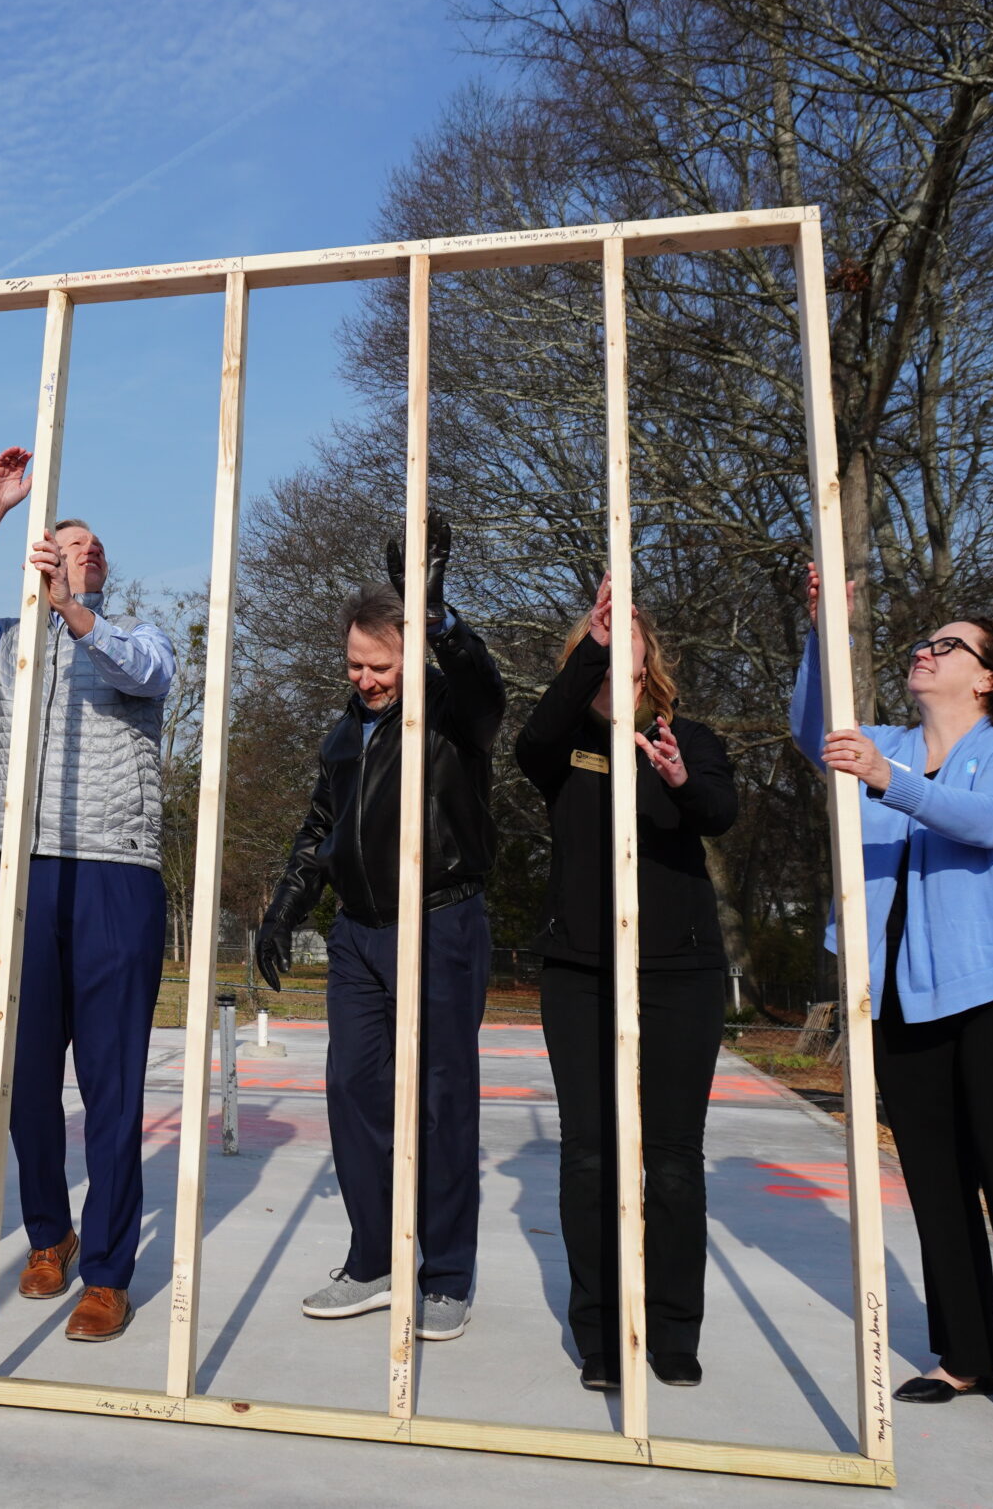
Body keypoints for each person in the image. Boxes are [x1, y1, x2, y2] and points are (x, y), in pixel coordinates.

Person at [794, 568, 993, 1447]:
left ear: (989, 674)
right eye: (921, 645)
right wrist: (826, 629)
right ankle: (967, 1354)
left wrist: (891, 779)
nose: (924, 653)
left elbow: (991, 821)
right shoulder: (882, 739)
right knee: (934, 1181)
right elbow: (818, 726)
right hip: (906, 996)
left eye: (946, 645)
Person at [0, 448, 175, 1342]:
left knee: (111, 1084)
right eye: (69, 543)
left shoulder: (135, 636)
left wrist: (74, 608)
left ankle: (110, 1270)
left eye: (95, 547)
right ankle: (51, 1233)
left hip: (114, 871)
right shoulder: (7, 646)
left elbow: (144, 676)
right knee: (21, 1076)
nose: (87, 551)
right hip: (21, 866)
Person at [253, 526, 505, 1341]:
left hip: (438, 922)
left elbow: (484, 695)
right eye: (356, 664)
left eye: (382, 666)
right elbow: (319, 824)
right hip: (358, 935)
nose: (367, 680)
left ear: (411, 657)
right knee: (353, 1090)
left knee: (439, 1100)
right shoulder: (343, 730)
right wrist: (285, 905)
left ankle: (446, 1274)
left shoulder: (448, 715)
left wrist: (437, 618)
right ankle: (374, 1257)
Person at [517, 578, 737, 1391]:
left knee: (673, 1159)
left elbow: (720, 811)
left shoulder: (693, 736)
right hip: (580, 972)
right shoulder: (565, 739)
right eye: (605, 632)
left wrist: (678, 775)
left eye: (631, 630)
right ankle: (603, 1335)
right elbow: (530, 743)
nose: (620, 641)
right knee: (591, 1157)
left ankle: (674, 1330)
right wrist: (593, 653)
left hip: (678, 973)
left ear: (653, 653)